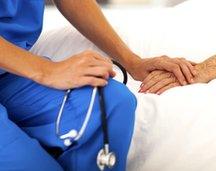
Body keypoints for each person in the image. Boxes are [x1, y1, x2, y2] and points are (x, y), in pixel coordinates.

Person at [0, 0, 195, 171]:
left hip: (11, 73)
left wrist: (133, 62)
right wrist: (47, 71)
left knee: (111, 102)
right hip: (22, 68)